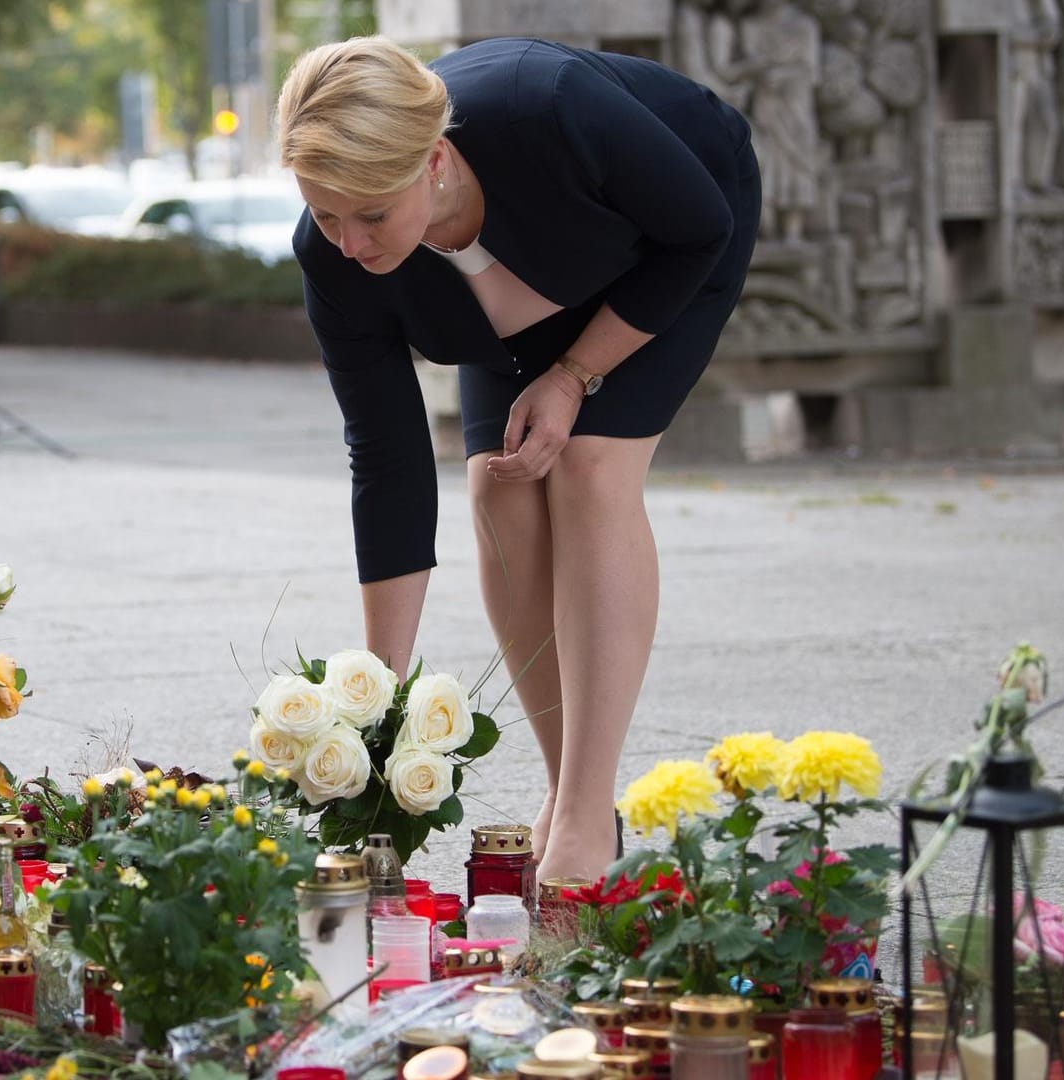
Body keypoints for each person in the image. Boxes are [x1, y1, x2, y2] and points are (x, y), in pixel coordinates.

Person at [277, 37, 760, 881]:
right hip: (504, 305)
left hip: (666, 247)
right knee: (500, 485)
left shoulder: (555, 108)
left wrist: (576, 375)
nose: (350, 244)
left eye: (371, 215)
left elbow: (697, 232)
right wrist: (378, 703)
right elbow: (387, 460)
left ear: (431, 161)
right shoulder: (338, 259)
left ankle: (583, 820)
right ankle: (565, 787)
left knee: (587, 468)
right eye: (326, 213)